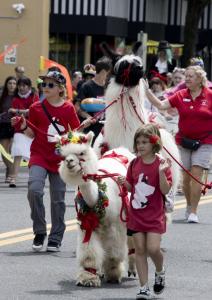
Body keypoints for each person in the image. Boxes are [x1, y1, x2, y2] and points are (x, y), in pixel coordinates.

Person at [11, 71, 94, 252]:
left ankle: (56, 237)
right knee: (34, 190)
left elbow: (74, 134)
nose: (45, 87)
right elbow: (32, 134)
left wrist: (83, 127)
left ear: (60, 89)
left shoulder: (68, 109)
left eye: (50, 85)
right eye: (44, 84)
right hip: (39, 155)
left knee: (58, 199)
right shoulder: (36, 108)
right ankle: (40, 231)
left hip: (60, 159)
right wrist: (22, 126)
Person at [144, 65, 212, 223]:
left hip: (205, 142)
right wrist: (147, 91)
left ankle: (194, 211)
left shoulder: (210, 95)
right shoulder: (181, 94)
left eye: (191, 76)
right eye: (186, 76)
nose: (187, 78)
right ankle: (189, 205)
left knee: (196, 175)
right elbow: (161, 105)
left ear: (200, 80)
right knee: (186, 178)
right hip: (184, 141)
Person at [118, 124, 172, 299]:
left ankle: (160, 271)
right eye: (138, 142)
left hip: (154, 214)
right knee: (140, 249)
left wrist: (162, 173)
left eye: (145, 142)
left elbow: (165, 190)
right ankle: (143, 287)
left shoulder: (161, 163)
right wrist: (122, 183)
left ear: (154, 143)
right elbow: (131, 186)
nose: (140, 145)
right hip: (136, 214)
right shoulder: (134, 163)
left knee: (153, 248)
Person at [8, 76, 39, 187]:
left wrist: (17, 111)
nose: (21, 87)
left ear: (29, 86)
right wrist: (22, 112)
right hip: (18, 130)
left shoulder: (34, 97)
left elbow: (32, 111)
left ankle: (33, 179)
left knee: (32, 156)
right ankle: (13, 179)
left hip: (31, 129)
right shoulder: (15, 99)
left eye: (24, 85)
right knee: (17, 153)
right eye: (20, 85)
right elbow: (18, 114)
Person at [76, 56, 112, 143]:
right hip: (90, 132)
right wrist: (88, 117)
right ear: (103, 72)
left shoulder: (109, 87)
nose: (109, 76)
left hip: (106, 132)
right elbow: (77, 107)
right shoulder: (86, 86)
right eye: (108, 73)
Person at [0, 76, 17, 183]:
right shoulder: (2, 97)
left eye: (14, 83)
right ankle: (10, 169)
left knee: (13, 150)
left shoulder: (18, 97)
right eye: (9, 83)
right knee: (4, 152)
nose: (11, 85)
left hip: (16, 125)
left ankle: (11, 173)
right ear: (6, 85)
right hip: (3, 125)